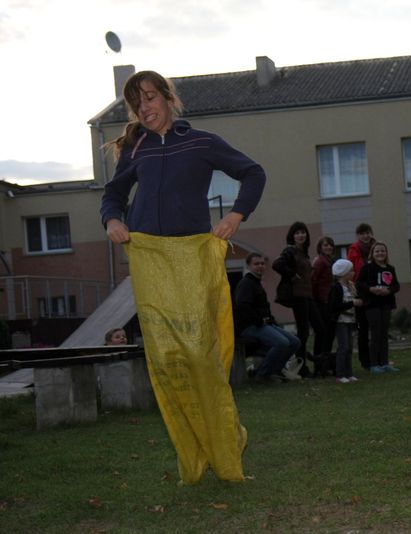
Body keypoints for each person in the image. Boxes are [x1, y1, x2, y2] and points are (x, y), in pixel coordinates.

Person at [99, 70, 265, 484]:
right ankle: (192, 456)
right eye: (137, 104)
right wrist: (112, 220)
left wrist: (235, 215)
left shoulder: (200, 142)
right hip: (150, 262)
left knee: (199, 357)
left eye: (151, 98)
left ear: (168, 98)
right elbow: (113, 194)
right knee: (167, 362)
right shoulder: (135, 148)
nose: (145, 108)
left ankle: (227, 442)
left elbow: (253, 173)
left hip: (192, 260)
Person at [233, 253, 301, 383]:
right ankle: (262, 375)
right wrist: (259, 320)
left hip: (264, 324)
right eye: (256, 264)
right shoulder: (246, 283)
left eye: (262, 263)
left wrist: (271, 321)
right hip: (249, 326)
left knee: (294, 342)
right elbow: (242, 307)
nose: (260, 266)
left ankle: (275, 371)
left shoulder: (257, 282)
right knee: (282, 343)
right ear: (248, 266)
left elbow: (263, 308)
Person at [272, 221, 326, 377]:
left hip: (308, 296)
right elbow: (277, 264)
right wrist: (292, 275)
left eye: (303, 232)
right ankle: (301, 367)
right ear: (292, 236)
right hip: (298, 296)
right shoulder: (290, 251)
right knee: (303, 332)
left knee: (320, 329)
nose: (301, 235)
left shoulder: (304, 253)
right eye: (297, 233)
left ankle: (318, 363)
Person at [356, 241, 400, 374]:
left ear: (386, 253)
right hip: (372, 305)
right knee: (375, 334)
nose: (380, 253)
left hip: (386, 304)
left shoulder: (390, 269)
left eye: (383, 251)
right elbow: (359, 283)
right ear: (372, 254)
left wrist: (389, 291)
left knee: (384, 334)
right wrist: (371, 289)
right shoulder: (367, 268)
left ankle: (385, 363)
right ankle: (374, 364)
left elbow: (396, 286)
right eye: (377, 251)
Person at [328, 259, 362, 383]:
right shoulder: (336, 288)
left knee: (349, 347)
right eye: (351, 270)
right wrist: (352, 303)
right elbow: (335, 306)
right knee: (343, 347)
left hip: (350, 321)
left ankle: (349, 373)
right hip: (341, 321)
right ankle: (340, 374)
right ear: (344, 273)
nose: (353, 272)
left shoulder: (350, 286)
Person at [347, 223, 376, 370]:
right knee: (363, 328)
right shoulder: (354, 249)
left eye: (367, 232)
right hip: (361, 289)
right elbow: (356, 269)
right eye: (362, 233)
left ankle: (378, 358)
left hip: (375, 290)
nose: (365, 236)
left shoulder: (376, 246)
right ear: (358, 236)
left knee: (377, 327)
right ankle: (365, 361)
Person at [311, 236, 336, 356]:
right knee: (324, 333)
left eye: (330, 245)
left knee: (329, 333)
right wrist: (318, 299)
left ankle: (325, 360)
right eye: (325, 245)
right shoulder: (320, 261)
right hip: (322, 302)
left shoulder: (329, 260)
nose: (329, 247)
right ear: (320, 248)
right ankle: (320, 360)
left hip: (329, 300)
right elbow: (313, 280)